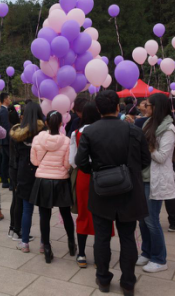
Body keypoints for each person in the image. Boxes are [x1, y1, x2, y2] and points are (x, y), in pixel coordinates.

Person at [76, 90, 150, 295]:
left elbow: (81, 163)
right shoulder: (133, 130)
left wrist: (98, 172)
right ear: (117, 107)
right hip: (129, 191)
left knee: (101, 237)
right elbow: (145, 160)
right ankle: (127, 282)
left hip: (101, 192)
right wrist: (127, 172)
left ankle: (103, 279)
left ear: (98, 109)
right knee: (127, 237)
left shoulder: (90, 132)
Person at [138, 93, 175, 273]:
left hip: (156, 179)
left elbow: (163, 157)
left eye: (148, 105)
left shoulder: (169, 129)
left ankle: (160, 258)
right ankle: (146, 252)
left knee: (151, 220)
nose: (144, 108)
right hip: (143, 177)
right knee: (142, 219)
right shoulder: (148, 123)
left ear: (157, 107)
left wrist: (147, 147)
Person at [31, 111, 75, 263]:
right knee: (66, 213)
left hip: (43, 180)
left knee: (44, 215)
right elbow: (67, 164)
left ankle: (47, 247)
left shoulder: (38, 139)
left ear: (46, 122)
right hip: (61, 180)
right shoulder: (66, 141)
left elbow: (35, 162)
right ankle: (71, 242)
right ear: (61, 123)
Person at [69, 101, 108, 268]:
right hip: (105, 176)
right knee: (102, 216)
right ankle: (101, 255)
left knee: (83, 214)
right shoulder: (106, 131)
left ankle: (82, 254)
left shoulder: (76, 133)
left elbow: (73, 161)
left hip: (84, 177)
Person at [11, 102, 46, 252]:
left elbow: (14, 160)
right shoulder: (45, 131)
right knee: (44, 210)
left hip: (24, 173)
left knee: (27, 209)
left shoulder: (17, 134)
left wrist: (14, 180)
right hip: (43, 172)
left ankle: (24, 243)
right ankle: (44, 244)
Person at [7, 104, 23, 240]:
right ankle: (17, 231)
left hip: (12, 168)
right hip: (17, 169)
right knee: (19, 201)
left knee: (15, 200)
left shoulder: (12, 130)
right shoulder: (19, 132)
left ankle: (12, 228)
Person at [0, 93, 12, 189]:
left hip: (3, 140)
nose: (10, 99)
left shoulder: (3, 110)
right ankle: (9, 182)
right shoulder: (4, 111)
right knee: (10, 160)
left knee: (5, 161)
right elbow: (6, 127)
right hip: (6, 140)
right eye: (9, 98)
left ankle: (5, 181)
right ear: (5, 99)